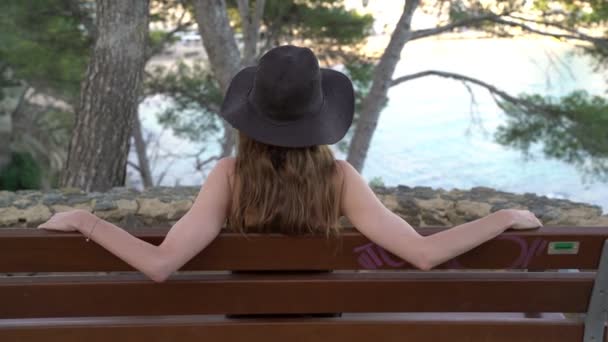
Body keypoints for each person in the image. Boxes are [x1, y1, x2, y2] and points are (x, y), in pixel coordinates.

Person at [37, 45, 543, 288]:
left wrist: (85, 219)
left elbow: (160, 265)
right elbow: (423, 254)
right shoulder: (341, 179)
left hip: (240, 324)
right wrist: (503, 217)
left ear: (251, 115)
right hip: (322, 322)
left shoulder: (229, 177)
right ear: (319, 117)